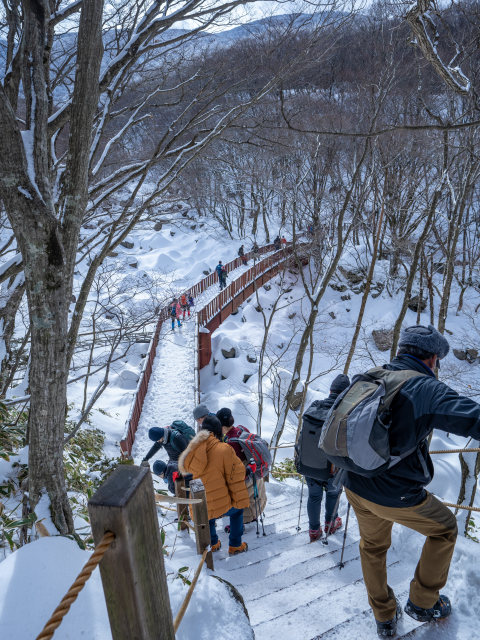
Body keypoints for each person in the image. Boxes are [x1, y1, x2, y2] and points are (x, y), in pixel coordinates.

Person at [343, 324, 480, 636]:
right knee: (445, 529)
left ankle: (384, 617)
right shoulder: (426, 388)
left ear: (401, 351)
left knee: (372, 547)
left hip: (353, 483)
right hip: (394, 493)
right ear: (433, 360)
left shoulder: (370, 376)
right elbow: (473, 418)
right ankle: (422, 601)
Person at [179, 415, 250, 555]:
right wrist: (246, 469)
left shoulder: (193, 450)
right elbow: (237, 471)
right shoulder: (224, 448)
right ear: (218, 430)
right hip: (221, 503)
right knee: (237, 511)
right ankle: (235, 544)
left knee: (209, 511)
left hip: (201, 504)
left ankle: (213, 543)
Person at [303, 374, 350, 542]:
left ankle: (314, 531)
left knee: (314, 496)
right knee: (332, 494)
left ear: (330, 391)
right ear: (346, 393)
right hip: (332, 467)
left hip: (310, 464)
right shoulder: (344, 413)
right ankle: (331, 524)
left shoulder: (315, 406)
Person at [217, 407, 267, 526]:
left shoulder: (230, 443)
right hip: (254, 465)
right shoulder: (241, 428)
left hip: (244, 470)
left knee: (240, 495)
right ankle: (256, 513)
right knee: (257, 492)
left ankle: (244, 520)